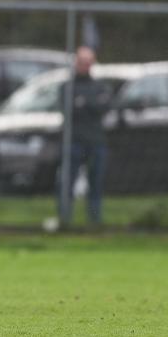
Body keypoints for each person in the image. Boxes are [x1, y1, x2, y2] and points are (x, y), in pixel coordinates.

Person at [59, 46, 111, 227]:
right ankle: (65, 219)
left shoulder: (100, 86)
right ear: (75, 63)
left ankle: (95, 220)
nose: (84, 66)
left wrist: (83, 103)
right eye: (81, 62)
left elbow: (103, 108)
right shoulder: (67, 86)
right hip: (74, 141)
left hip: (96, 141)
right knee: (68, 181)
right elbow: (69, 109)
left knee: (96, 183)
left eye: (88, 62)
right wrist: (90, 104)